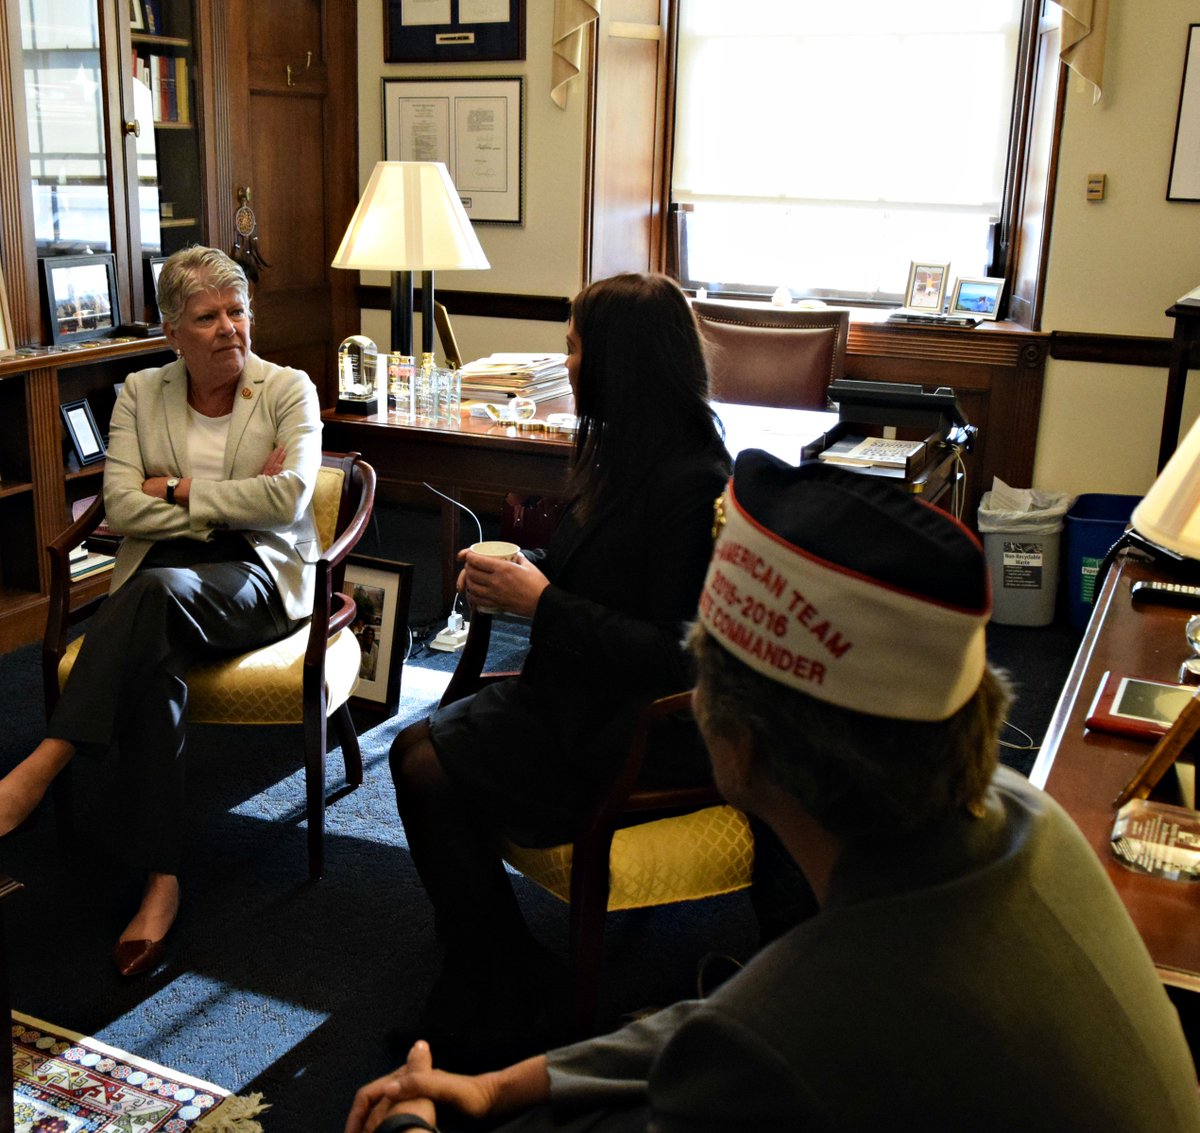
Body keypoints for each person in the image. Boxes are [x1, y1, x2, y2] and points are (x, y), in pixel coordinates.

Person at [349, 453, 1200, 1133]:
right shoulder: (1027, 817)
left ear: (741, 742)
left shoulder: (788, 1040)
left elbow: (758, 1027)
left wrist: (413, 1123)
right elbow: (737, 1012)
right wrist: (499, 1087)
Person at [388, 272, 732, 1062]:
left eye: (574, 347)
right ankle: (505, 968)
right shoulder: (621, 454)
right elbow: (599, 577)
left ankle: (502, 982)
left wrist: (539, 602)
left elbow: (675, 655)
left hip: (641, 730)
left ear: (620, 362)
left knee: (426, 765)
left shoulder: (693, 479)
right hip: (581, 695)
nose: (564, 362)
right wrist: (526, 569)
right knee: (416, 754)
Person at [0, 245, 322, 977]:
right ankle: (160, 882)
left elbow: (289, 498)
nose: (229, 329)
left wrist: (173, 490)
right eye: (207, 318)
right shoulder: (140, 393)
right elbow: (118, 506)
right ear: (172, 331)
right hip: (168, 573)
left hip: (257, 574)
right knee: (156, 662)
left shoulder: (287, 389)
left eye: (237, 312)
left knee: (150, 595)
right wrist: (230, 501)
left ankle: (45, 763)